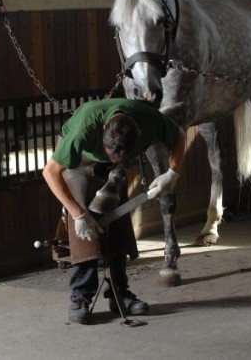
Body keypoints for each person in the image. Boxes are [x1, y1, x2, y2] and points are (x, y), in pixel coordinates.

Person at [42, 98, 186, 324]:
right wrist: (78, 214)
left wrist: (173, 173)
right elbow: (50, 173)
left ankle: (119, 293)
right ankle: (80, 296)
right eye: (111, 151)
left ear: (139, 132)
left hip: (113, 166)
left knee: (118, 221)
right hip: (79, 161)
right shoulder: (84, 127)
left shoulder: (149, 119)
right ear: (103, 130)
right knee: (85, 226)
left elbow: (178, 135)